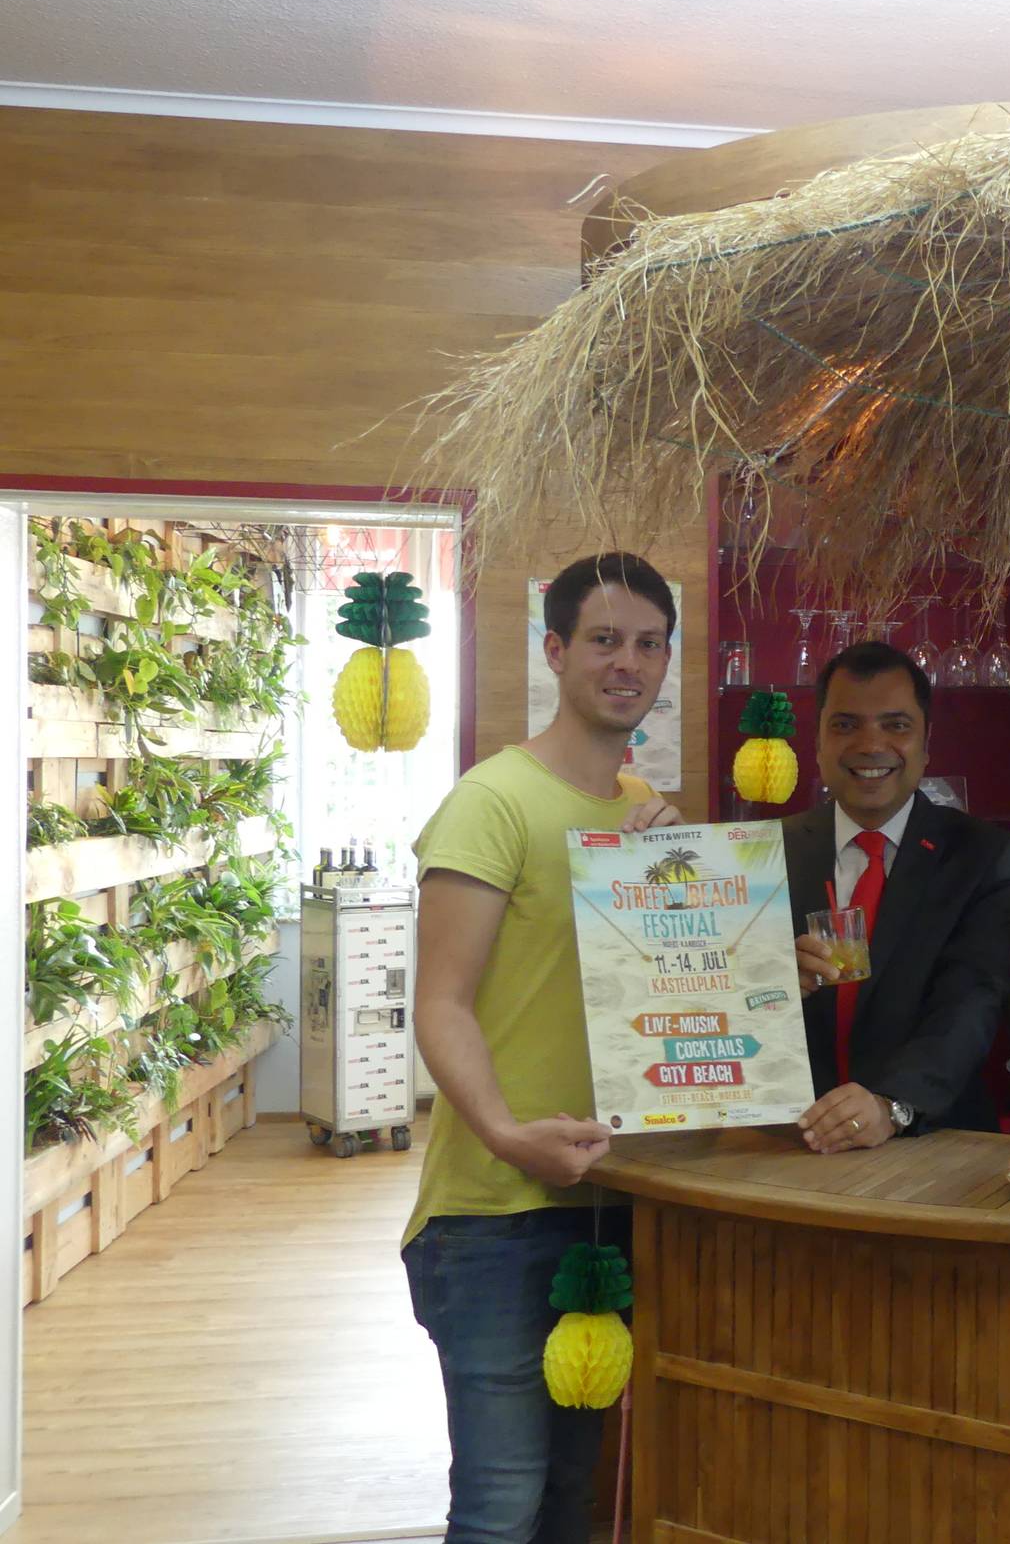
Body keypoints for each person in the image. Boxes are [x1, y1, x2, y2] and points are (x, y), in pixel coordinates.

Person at [404, 551, 682, 1544]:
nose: (628, 663)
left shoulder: (643, 813)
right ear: (556, 651)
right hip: (494, 1216)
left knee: (580, 1504)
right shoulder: (495, 800)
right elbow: (440, 1003)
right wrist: (507, 1133)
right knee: (501, 1504)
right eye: (605, 640)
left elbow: (658, 998)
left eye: (649, 644)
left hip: (612, 1205)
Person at [784, 641, 1010, 1152]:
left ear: (925, 742)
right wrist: (770, 981)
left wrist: (893, 1103)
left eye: (896, 725)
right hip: (785, 1146)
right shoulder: (762, 856)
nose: (871, 745)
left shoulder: (984, 856)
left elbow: (971, 1004)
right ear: (818, 742)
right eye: (846, 725)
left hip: (934, 1143)